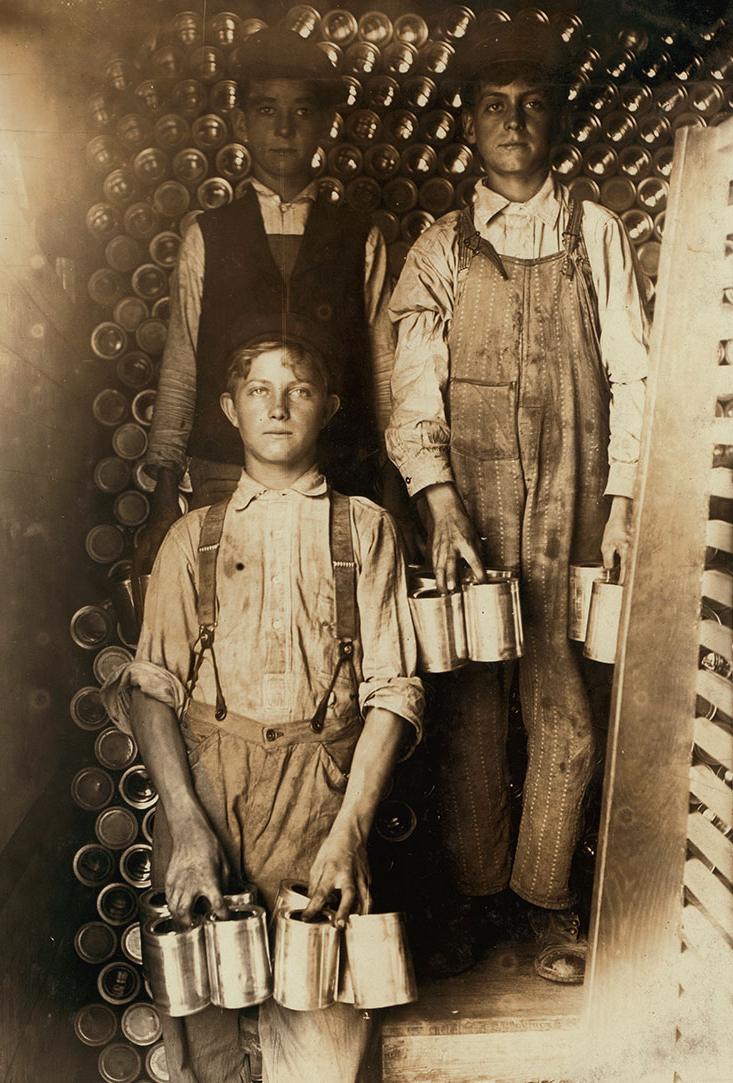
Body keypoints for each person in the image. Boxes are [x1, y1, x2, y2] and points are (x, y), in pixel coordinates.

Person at [385, 21, 651, 984]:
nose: (513, 120)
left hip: (574, 509)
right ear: (467, 123)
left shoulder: (595, 232)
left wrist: (621, 503)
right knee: (468, 714)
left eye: (532, 104)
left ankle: (545, 897)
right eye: (495, 104)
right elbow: (411, 386)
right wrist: (440, 502)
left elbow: (634, 373)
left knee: (566, 715)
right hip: (472, 516)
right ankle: (473, 897)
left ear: (558, 122)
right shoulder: (441, 245)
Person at [103, 321, 424, 1083]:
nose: (278, 406)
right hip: (208, 793)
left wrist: (348, 835)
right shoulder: (191, 538)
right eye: (259, 390)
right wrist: (184, 828)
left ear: (330, 407)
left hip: (321, 799)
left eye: (299, 390)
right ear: (229, 407)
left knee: (321, 1054)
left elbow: (394, 696)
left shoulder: (366, 530)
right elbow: (153, 689)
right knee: (206, 1052)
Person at [134, 26, 401, 585]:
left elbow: (382, 376)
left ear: (326, 124)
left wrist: (396, 489)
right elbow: (182, 368)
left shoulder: (361, 238)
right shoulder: (207, 235)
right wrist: (163, 498)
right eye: (265, 110)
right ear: (241, 124)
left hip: (338, 477)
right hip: (223, 479)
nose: (283, 129)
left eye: (302, 112)